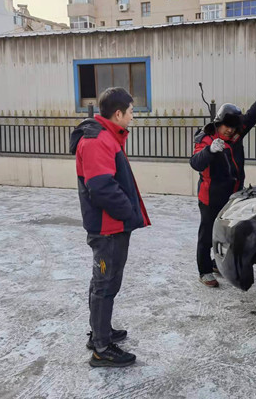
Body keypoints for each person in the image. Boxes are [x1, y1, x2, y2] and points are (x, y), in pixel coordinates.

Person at [70, 87, 151, 367]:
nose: (132, 117)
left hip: (113, 226)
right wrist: (129, 212)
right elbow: (102, 188)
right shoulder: (97, 140)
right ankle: (101, 349)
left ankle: (100, 332)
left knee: (106, 283)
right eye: (131, 112)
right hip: (107, 228)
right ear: (118, 113)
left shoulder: (107, 136)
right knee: (105, 284)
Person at [190, 92, 256, 287]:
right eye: (226, 126)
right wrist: (210, 151)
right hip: (211, 197)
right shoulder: (206, 139)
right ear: (218, 123)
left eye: (233, 127)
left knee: (229, 233)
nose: (229, 131)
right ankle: (204, 271)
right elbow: (195, 163)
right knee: (207, 234)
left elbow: (252, 115)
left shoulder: (235, 135)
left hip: (233, 195)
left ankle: (217, 264)